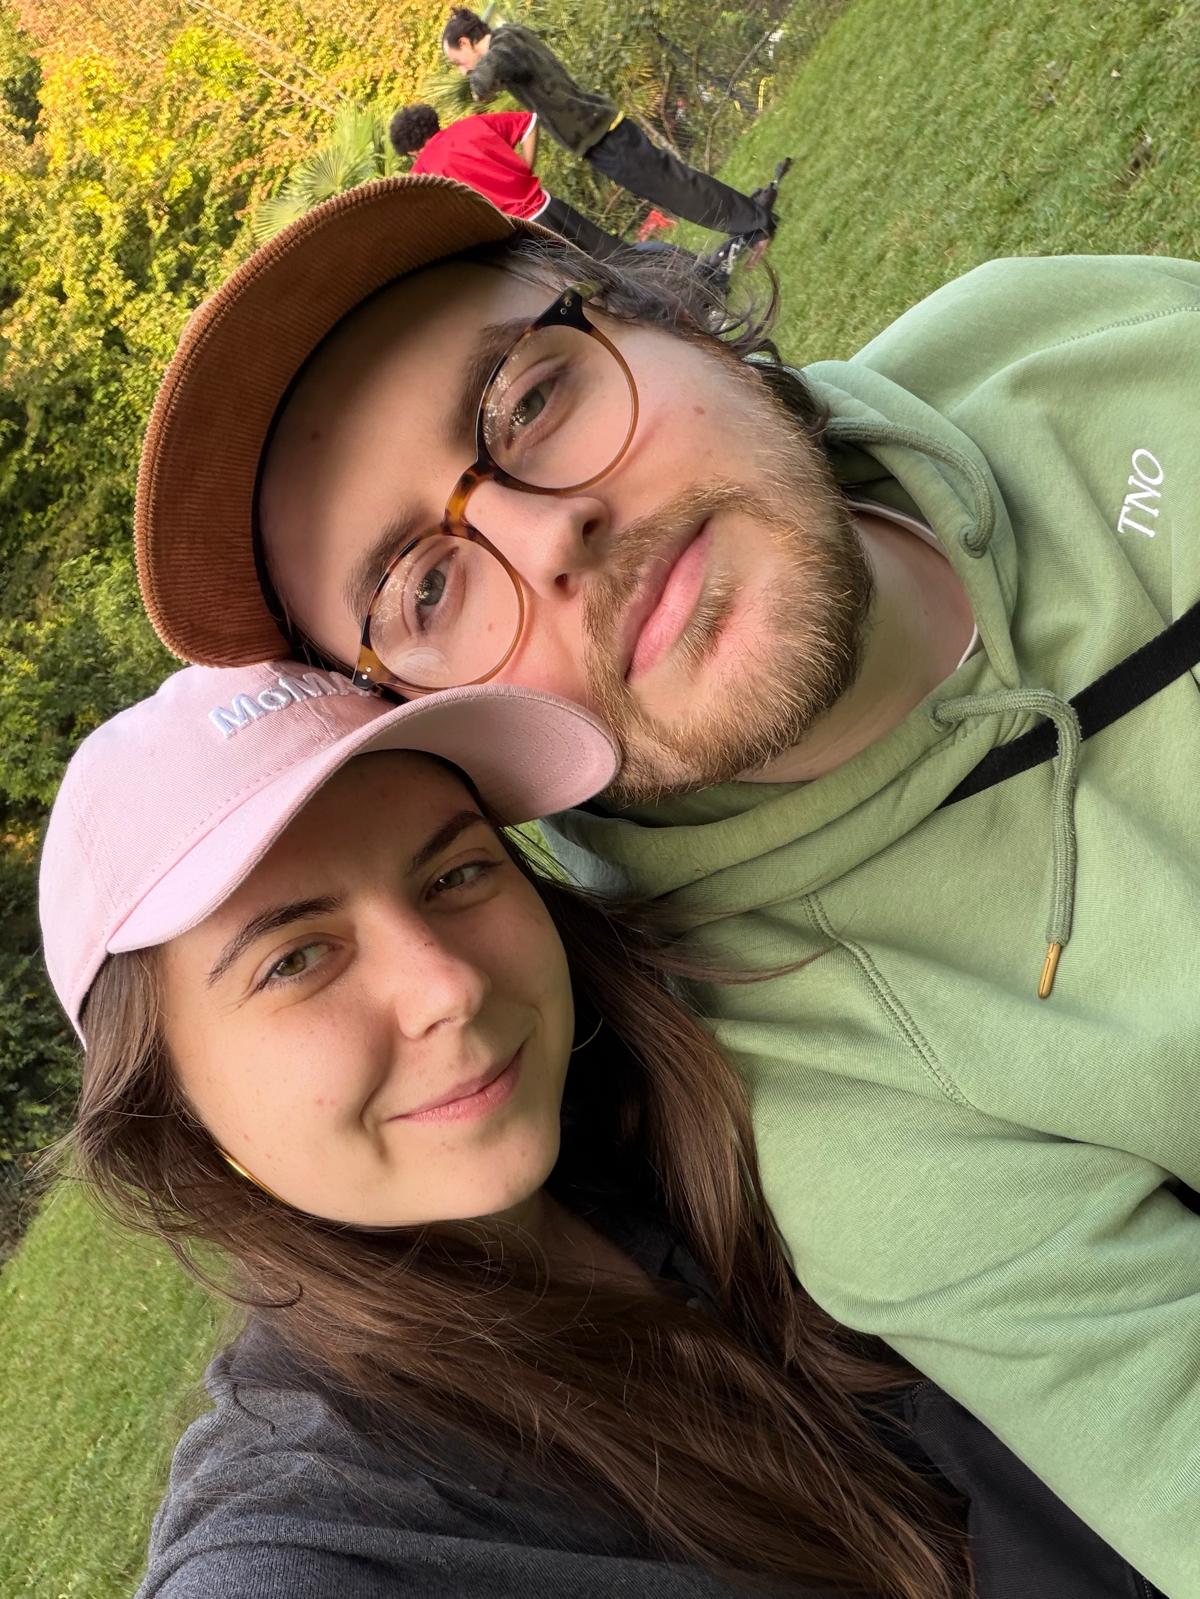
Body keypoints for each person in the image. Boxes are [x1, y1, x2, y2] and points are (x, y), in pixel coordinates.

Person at [130, 176, 1200, 1595]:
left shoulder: (1040, 329)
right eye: (428, 590)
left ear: (665, 316)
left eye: (528, 402)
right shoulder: (847, 1101)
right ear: (456, 726)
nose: (547, 538)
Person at [40, 660, 1158, 1598]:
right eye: (296, 959)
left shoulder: (722, 1074)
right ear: (171, 1111)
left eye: (456, 871)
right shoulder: (326, 1528)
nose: (447, 987)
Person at [441, 6, 775, 246]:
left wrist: (477, 84)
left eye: (458, 61)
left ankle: (755, 224)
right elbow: (504, 71)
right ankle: (749, 216)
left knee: (675, 187)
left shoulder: (505, 47)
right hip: (600, 135)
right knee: (674, 184)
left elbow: (488, 76)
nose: (462, 70)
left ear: (467, 43)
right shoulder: (511, 38)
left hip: (603, 136)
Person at [389, 101, 624, 260]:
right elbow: (529, 123)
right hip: (547, 207)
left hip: (519, 237)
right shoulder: (472, 125)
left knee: (588, 293)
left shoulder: (422, 172)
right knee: (618, 257)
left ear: (411, 150)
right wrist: (526, 167)